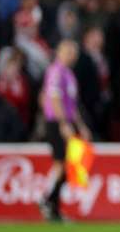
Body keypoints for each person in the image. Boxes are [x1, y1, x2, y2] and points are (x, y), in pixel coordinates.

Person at [38, 40, 91, 222]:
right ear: (59, 52)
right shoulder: (56, 71)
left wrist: (81, 126)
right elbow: (54, 98)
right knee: (60, 162)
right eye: (68, 51)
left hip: (67, 121)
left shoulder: (69, 74)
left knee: (71, 164)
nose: (71, 55)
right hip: (56, 122)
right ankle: (46, 197)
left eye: (74, 52)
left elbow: (72, 104)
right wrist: (62, 123)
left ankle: (54, 207)